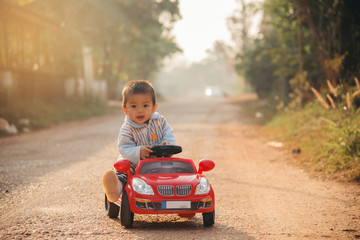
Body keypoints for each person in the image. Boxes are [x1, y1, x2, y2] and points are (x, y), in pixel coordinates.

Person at [102, 80, 176, 202]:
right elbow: (124, 147)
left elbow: (169, 134)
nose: (140, 110)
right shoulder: (127, 128)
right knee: (123, 173)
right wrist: (138, 151)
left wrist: (167, 144)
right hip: (134, 164)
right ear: (125, 109)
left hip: (158, 162)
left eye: (145, 105)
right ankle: (115, 188)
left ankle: (179, 194)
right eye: (134, 106)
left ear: (153, 108)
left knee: (174, 170)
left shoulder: (160, 121)